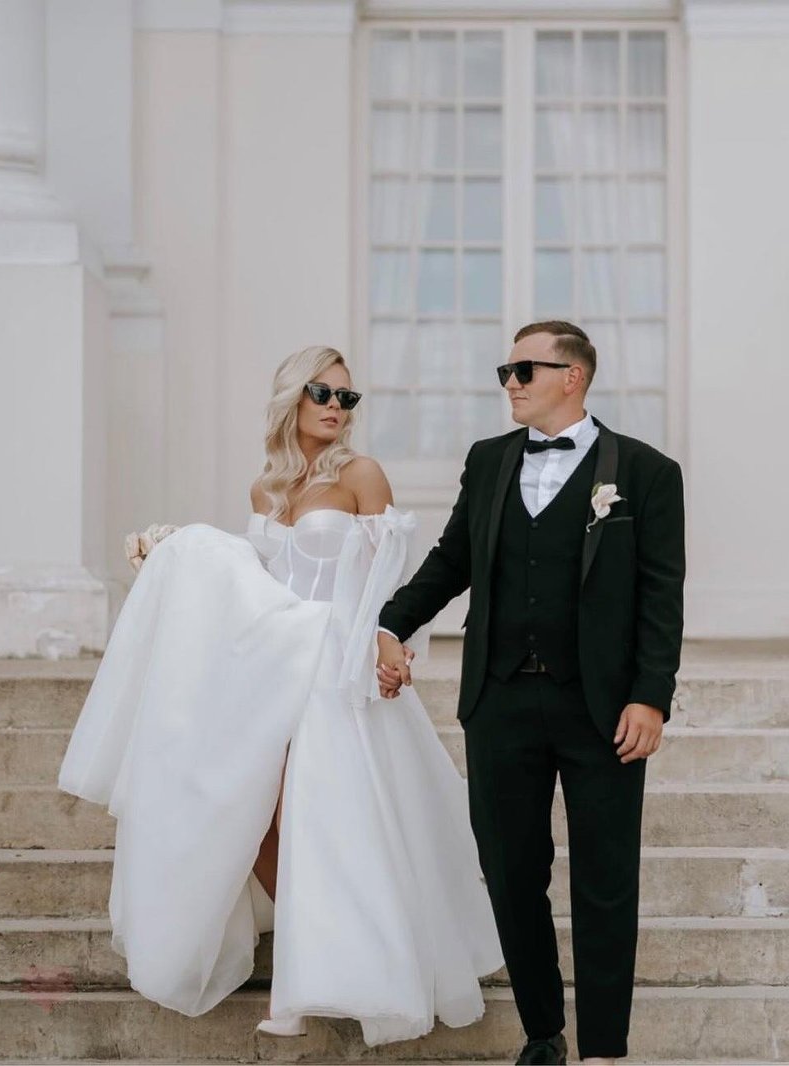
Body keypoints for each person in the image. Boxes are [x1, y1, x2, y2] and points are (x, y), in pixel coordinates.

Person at [58, 345, 503, 1047]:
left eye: (346, 398)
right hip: (271, 664)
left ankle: (322, 976)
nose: (335, 408)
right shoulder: (264, 490)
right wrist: (176, 564)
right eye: (322, 393)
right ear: (292, 398)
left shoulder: (361, 475)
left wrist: (386, 645)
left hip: (335, 662)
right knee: (258, 812)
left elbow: (386, 580)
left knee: (320, 811)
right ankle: (313, 949)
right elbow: (256, 586)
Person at [376, 321, 686, 1065]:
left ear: (572, 377)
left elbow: (660, 593)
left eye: (523, 371)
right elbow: (452, 559)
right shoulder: (487, 461)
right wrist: (389, 623)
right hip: (501, 700)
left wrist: (651, 695)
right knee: (511, 873)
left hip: (603, 708)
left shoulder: (647, 471)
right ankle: (544, 1034)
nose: (509, 384)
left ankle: (603, 1049)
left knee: (606, 880)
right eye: (505, 372)